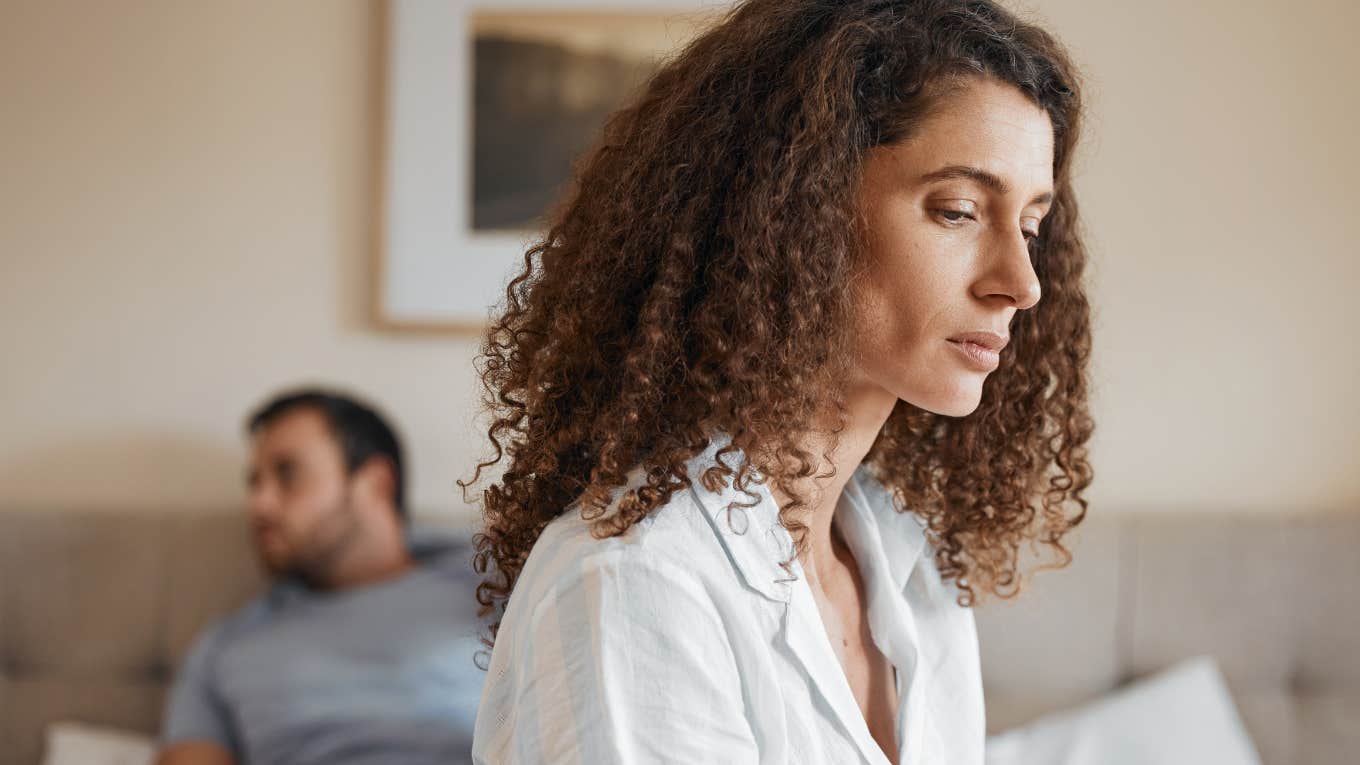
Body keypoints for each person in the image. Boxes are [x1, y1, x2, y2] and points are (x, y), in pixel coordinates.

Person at [466, 0, 1094, 763]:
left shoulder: (912, 576)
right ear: (797, 208)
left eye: (1030, 225)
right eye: (959, 211)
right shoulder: (635, 584)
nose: (1021, 282)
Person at [156, 388, 484, 765]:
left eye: (287, 474)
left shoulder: (492, 582)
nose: (258, 504)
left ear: (375, 483)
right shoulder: (224, 648)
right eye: (254, 482)